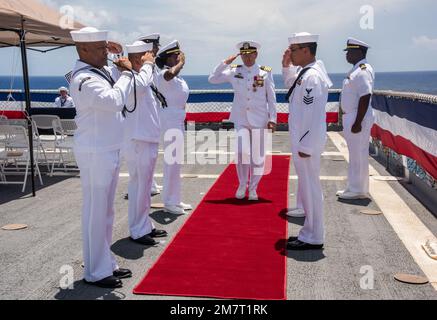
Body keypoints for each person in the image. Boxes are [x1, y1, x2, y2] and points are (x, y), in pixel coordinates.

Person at [69, 27, 133, 288]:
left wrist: (118, 53)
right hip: (96, 152)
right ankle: (95, 271)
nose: (105, 53)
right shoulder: (84, 78)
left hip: (108, 148)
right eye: (99, 48)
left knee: (106, 212)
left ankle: (105, 262)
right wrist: (128, 72)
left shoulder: (100, 70)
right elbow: (114, 100)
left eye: (105, 47)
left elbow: (118, 77)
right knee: (96, 212)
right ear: (83, 50)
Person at [208, 41, 277, 201]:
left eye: (249, 54)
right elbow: (212, 79)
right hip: (241, 119)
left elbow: (271, 98)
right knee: (241, 152)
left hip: (260, 119)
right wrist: (225, 62)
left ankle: (253, 189)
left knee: (258, 157)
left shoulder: (265, 72)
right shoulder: (234, 71)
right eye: (243, 54)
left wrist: (272, 119)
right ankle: (242, 184)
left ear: (256, 54)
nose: (246, 57)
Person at [283, 32, 332, 250]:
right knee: (308, 188)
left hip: (307, 143)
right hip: (303, 140)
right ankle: (309, 232)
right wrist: (286, 66)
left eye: (293, 50)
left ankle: (314, 236)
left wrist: (305, 145)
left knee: (311, 189)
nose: (290, 54)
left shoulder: (312, 77)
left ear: (306, 50)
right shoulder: (306, 74)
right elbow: (292, 87)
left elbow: (311, 115)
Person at [123, 40, 168, 245]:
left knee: (144, 186)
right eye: (147, 55)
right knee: (140, 186)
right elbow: (140, 85)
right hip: (139, 140)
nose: (151, 58)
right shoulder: (133, 78)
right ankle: (138, 230)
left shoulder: (142, 77)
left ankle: (144, 224)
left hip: (145, 138)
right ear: (136, 58)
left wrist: (148, 65)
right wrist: (147, 65)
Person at [155, 40, 192, 215]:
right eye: (176, 55)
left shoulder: (178, 78)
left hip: (177, 120)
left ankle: (175, 199)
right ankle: (169, 202)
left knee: (176, 163)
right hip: (169, 121)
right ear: (167, 59)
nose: (179, 57)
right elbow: (169, 75)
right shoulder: (162, 75)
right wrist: (181, 63)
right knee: (171, 162)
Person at [337, 38, 374, 200]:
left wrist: (357, 122)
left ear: (358, 52)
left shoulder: (362, 70)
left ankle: (358, 190)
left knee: (358, 154)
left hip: (357, 117)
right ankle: (353, 187)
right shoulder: (356, 69)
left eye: (349, 52)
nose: (347, 55)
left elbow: (365, 96)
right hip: (353, 116)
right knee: (355, 154)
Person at [138, 33, 163, 195]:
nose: (158, 49)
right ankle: (147, 184)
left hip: (152, 110)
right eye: (155, 46)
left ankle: (151, 183)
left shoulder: (152, 64)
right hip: (143, 115)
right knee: (144, 154)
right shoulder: (142, 65)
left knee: (150, 153)